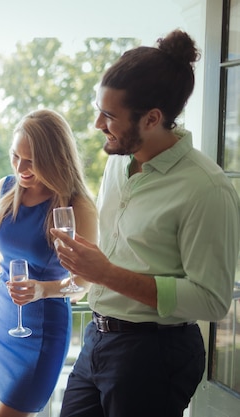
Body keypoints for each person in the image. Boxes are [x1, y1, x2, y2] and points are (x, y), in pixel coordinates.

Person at [52, 30, 240, 417]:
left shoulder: (206, 188)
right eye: (98, 109)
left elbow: (213, 299)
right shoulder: (117, 162)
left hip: (154, 354)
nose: (96, 123)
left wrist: (105, 274)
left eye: (109, 116)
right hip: (98, 339)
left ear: (153, 118)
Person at [0, 109, 98, 417]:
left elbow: (83, 283)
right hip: (2, 320)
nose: (21, 168)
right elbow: (4, 256)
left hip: (42, 331)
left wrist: (42, 289)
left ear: (56, 157)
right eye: (16, 157)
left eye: (33, 160)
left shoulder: (77, 206)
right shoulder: (6, 188)